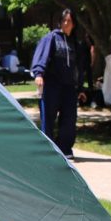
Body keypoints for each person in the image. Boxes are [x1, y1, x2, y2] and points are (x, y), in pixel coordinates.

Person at [31, 9, 90, 159]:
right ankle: (48, 149)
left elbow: (79, 68)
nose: (65, 23)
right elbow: (41, 57)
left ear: (74, 24)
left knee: (69, 118)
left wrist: (81, 87)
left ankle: (65, 148)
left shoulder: (75, 44)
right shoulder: (51, 38)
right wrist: (39, 74)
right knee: (49, 118)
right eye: (63, 20)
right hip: (52, 85)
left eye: (69, 21)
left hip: (69, 87)